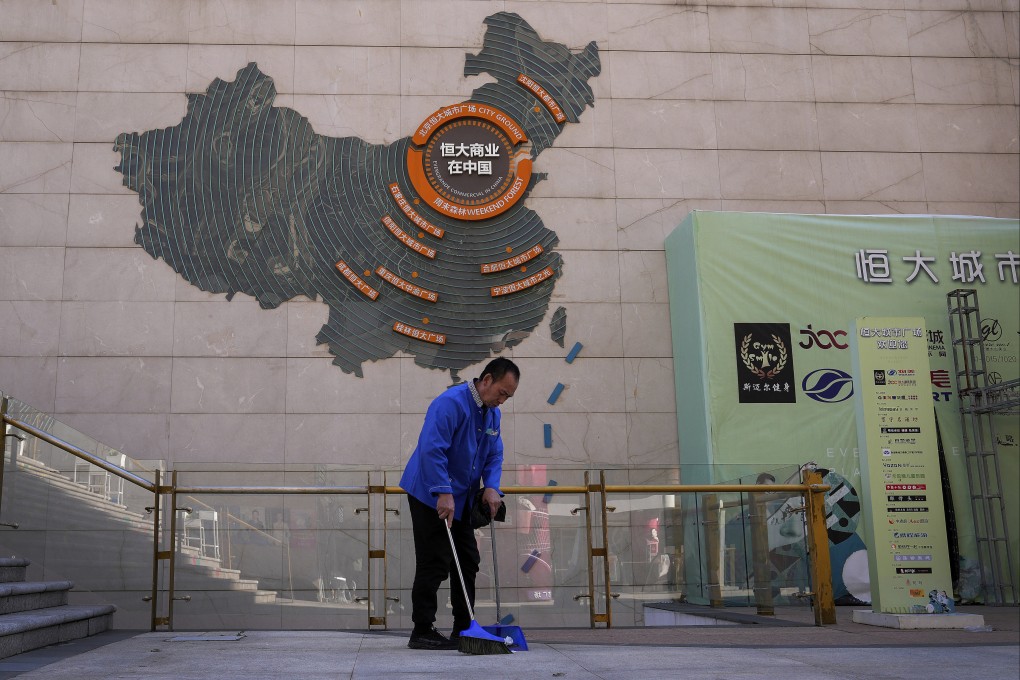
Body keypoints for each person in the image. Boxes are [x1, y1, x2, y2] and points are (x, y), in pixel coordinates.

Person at [399, 357, 519, 650]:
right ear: (487, 380)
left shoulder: (492, 414)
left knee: (467, 559)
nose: (503, 400)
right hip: (429, 492)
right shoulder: (451, 402)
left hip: (463, 497)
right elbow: (432, 448)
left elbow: (494, 453)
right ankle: (422, 629)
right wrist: (442, 491)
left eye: (509, 397)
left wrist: (491, 487)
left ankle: (464, 628)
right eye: (502, 392)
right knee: (435, 559)